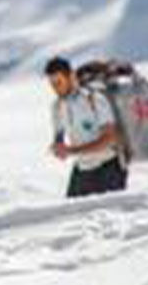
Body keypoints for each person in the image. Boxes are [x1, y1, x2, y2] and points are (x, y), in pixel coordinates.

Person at [44, 56, 127, 198]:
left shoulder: (94, 99)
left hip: (108, 168)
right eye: (52, 84)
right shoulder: (57, 107)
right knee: (71, 216)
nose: (55, 88)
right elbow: (59, 137)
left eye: (59, 82)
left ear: (71, 76)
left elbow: (110, 138)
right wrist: (58, 147)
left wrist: (72, 151)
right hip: (81, 169)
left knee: (111, 217)